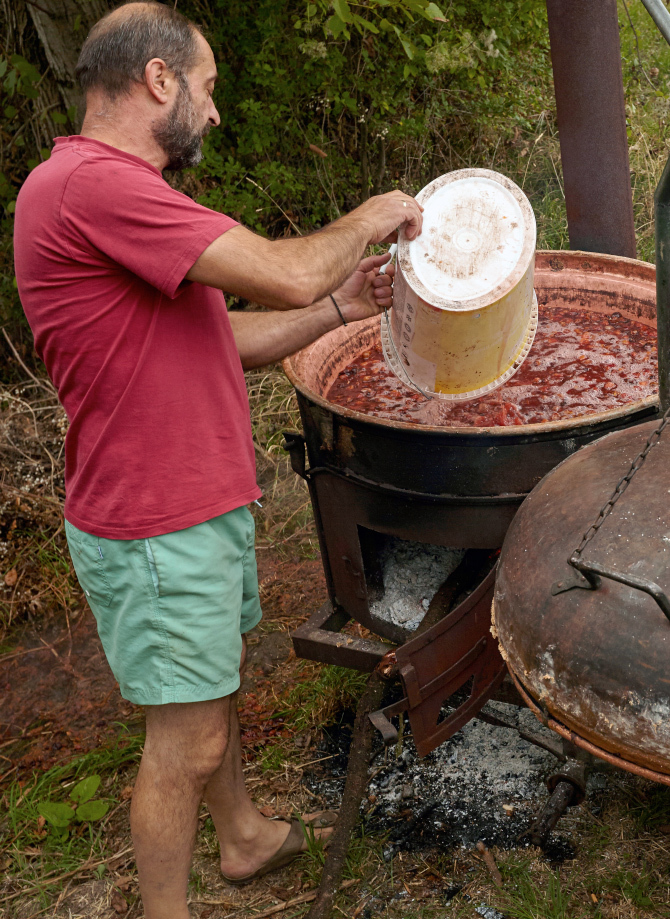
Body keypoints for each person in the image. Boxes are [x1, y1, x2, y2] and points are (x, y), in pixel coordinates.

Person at [12, 4, 423, 916]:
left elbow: (218, 339)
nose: (215, 110)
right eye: (207, 88)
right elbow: (281, 271)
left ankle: (241, 838)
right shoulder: (96, 187)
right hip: (156, 519)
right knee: (185, 739)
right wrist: (370, 215)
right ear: (158, 80)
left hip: (195, 499)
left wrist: (341, 310)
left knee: (211, 689)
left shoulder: (107, 194)